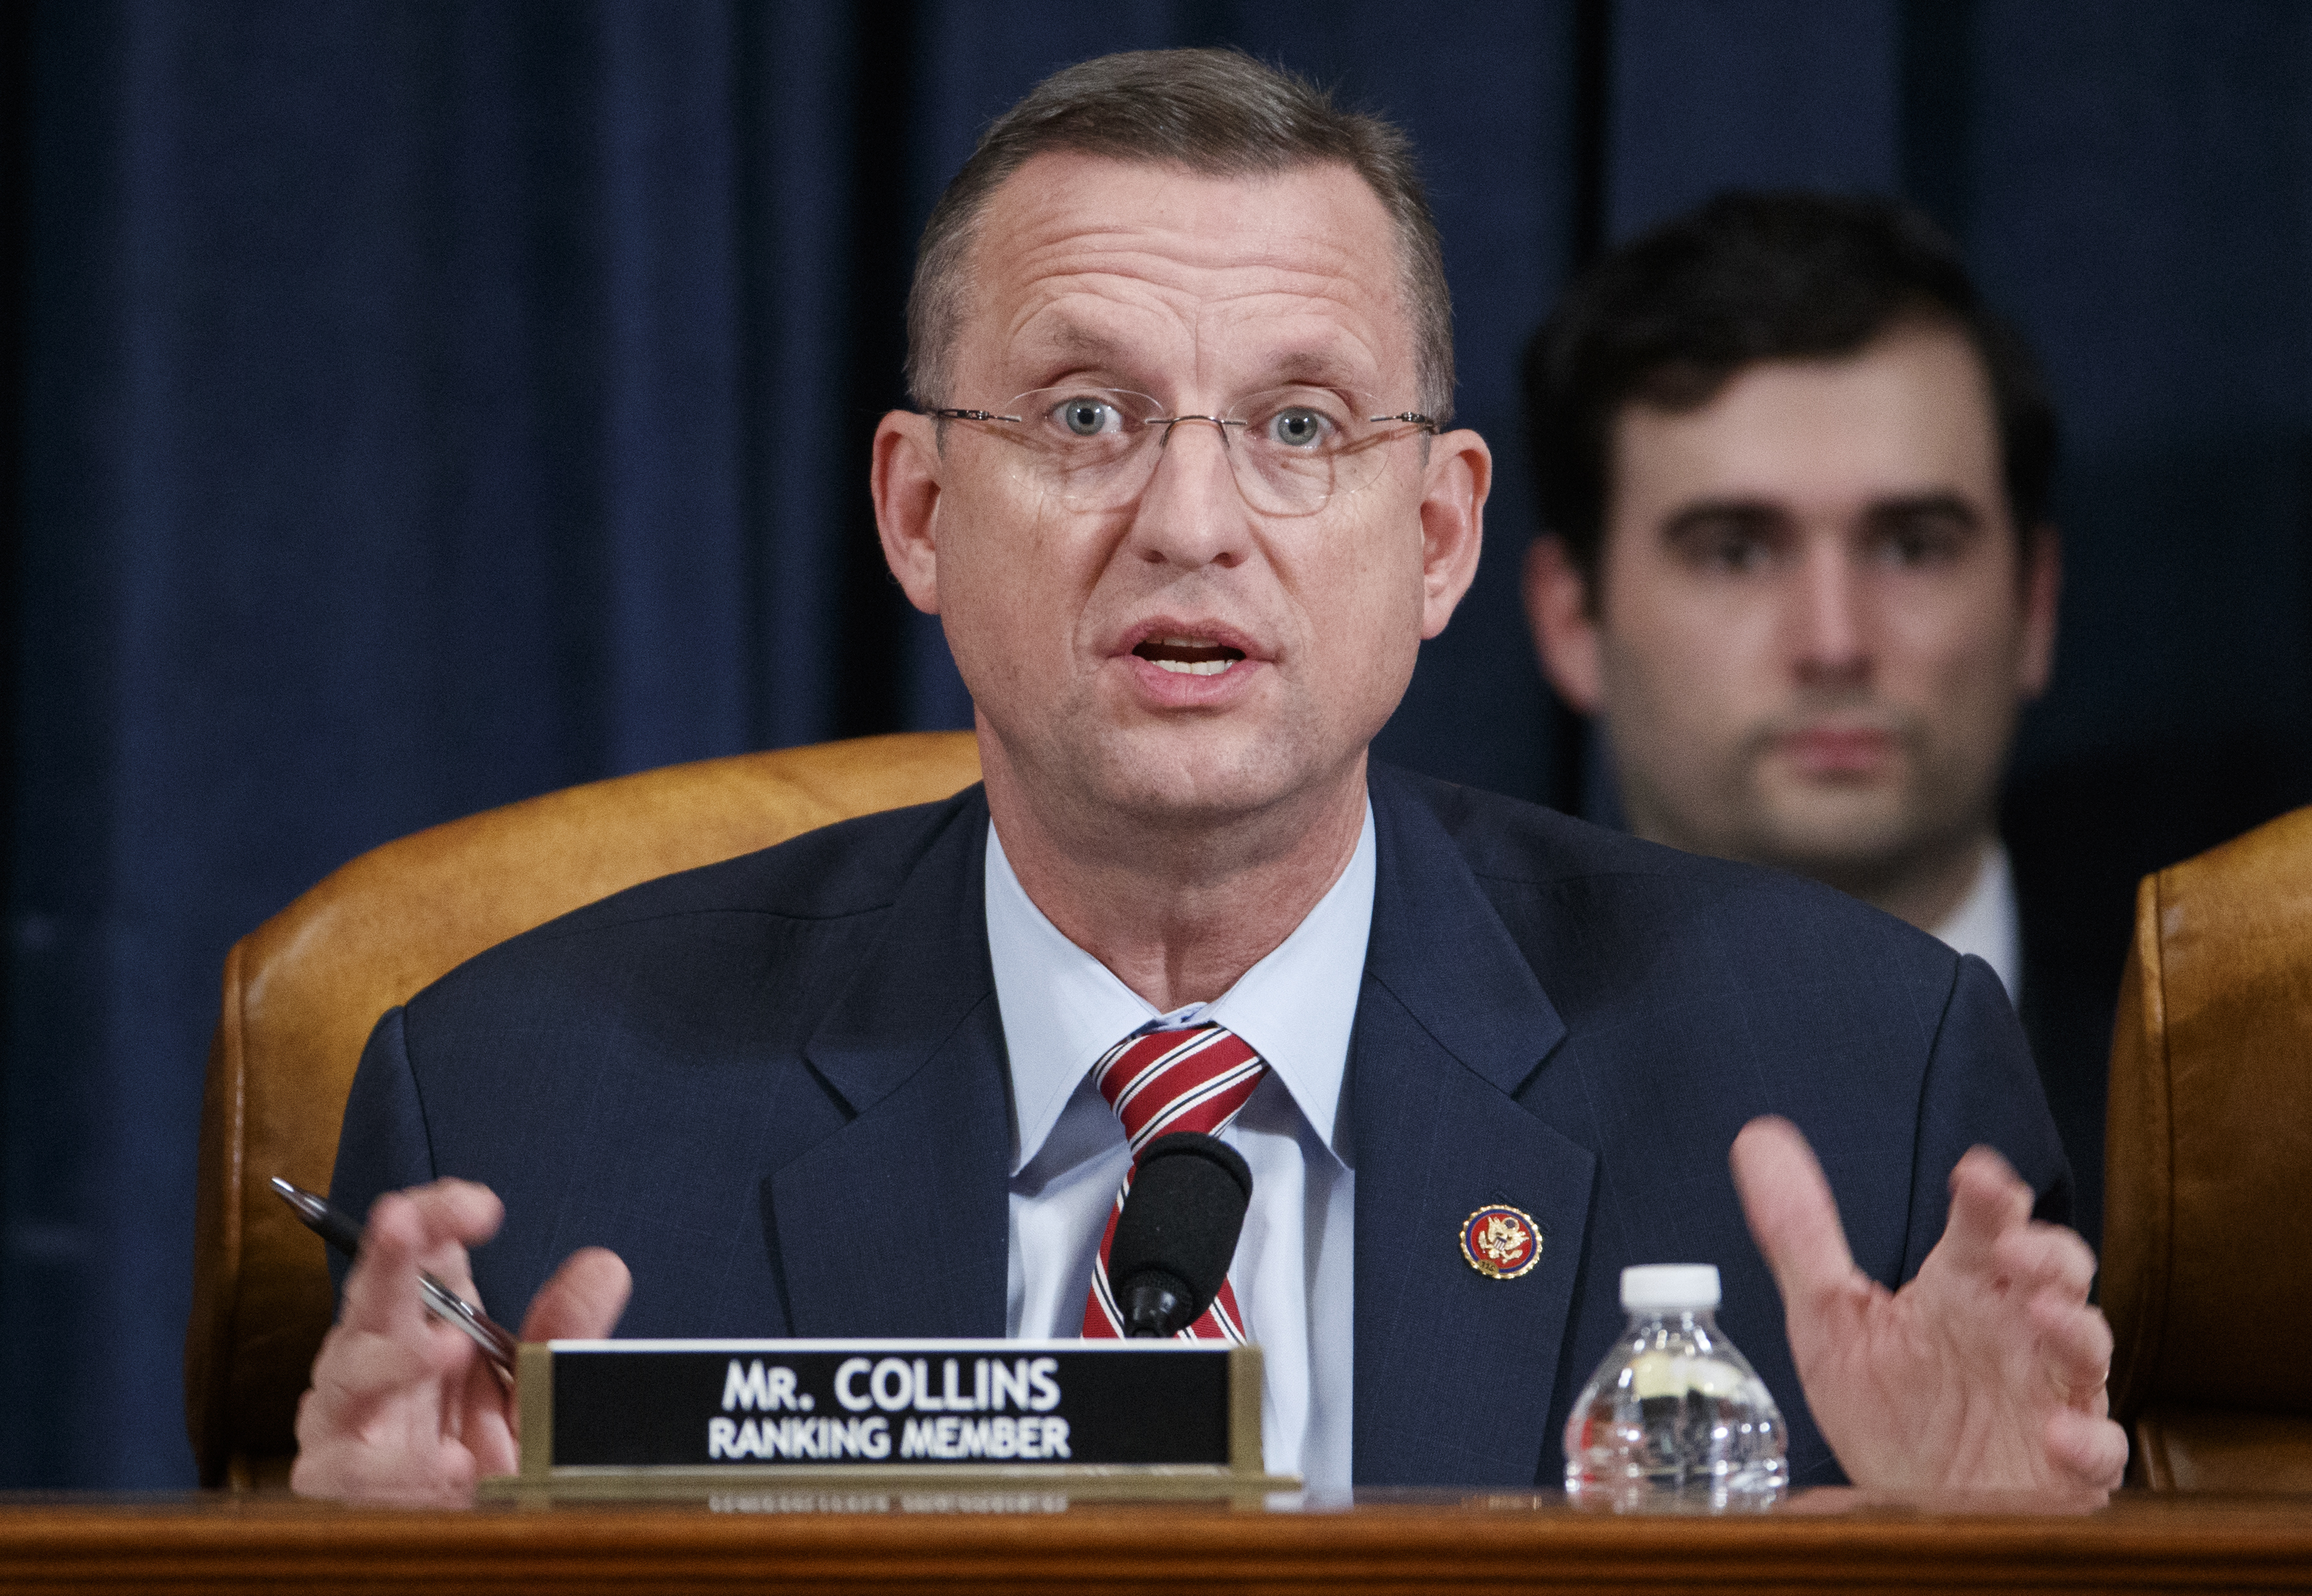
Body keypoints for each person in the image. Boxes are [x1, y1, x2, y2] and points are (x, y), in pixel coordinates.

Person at [291, 52, 2123, 1506]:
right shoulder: (530, 1120)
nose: (1188, 521)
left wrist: (1986, 1574)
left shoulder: (1857, 1089)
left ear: (1439, 532)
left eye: (1298, 427)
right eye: (1085, 416)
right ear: (920, 511)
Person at [1518, 193, 2111, 1249]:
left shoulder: (2247, 1095)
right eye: (1736, 550)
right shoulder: (1396, 1089)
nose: (1833, 641)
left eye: (1912, 546)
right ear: (1571, 619)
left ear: (2034, 604)